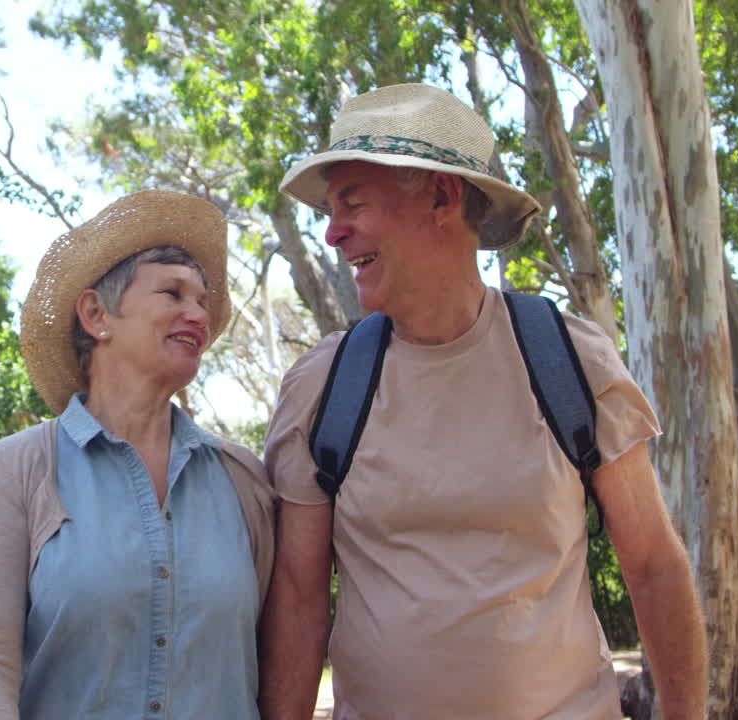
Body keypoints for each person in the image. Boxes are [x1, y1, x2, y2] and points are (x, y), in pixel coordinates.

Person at [258, 84, 707, 720]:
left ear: (442, 197)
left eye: (352, 203)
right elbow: (299, 598)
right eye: (331, 211)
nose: (333, 233)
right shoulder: (324, 386)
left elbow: (654, 563)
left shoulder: (567, 359)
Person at [0, 190, 275, 720]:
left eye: (202, 301)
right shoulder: (18, 469)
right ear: (96, 313)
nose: (198, 314)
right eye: (172, 292)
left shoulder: (242, 479)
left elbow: (273, 657)